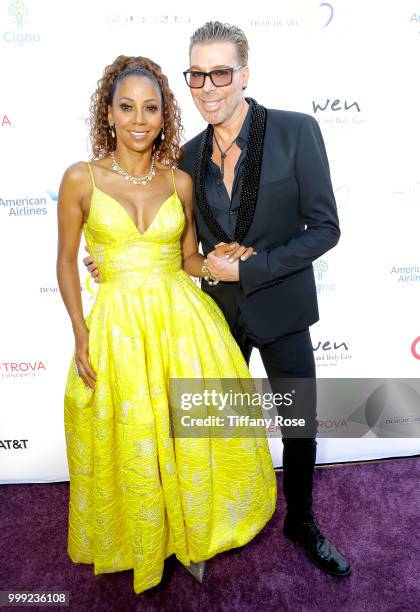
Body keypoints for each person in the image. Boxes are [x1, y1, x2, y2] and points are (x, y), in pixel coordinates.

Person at [85, 21, 351, 578]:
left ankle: (301, 520)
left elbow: (325, 229)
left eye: (221, 72)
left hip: (281, 310)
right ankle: (203, 522)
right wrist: (116, 256)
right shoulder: (183, 157)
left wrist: (253, 265)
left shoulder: (295, 131)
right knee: (211, 428)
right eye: (197, 74)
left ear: (244, 74)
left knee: (297, 423)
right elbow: (170, 238)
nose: (208, 86)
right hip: (210, 318)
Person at [56, 55, 277, 595]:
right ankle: (144, 538)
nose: (139, 118)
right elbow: (65, 260)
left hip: (181, 323)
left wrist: (229, 258)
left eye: (151, 107)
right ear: (108, 112)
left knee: (186, 437)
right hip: (117, 329)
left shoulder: (180, 181)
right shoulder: (80, 178)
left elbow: (187, 261)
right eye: (127, 106)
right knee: (135, 439)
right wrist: (81, 334)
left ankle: (192, 533)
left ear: (164, 114)